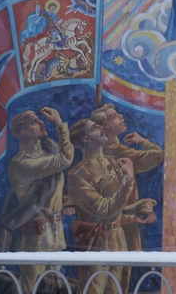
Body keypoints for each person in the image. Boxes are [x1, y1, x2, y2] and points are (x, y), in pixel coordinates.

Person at [65, 104, 163, 252]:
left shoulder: (109, 160)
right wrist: (143, 143)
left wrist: (140, 208)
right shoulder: (80, 172)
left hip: (120, 233)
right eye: (113, 116)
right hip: (101, 239)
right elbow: (105, 209)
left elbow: (118, 205)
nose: (120, 117)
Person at [0, 106, 73, 252]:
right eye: (34, 122)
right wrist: (59, 124)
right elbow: (65, 159)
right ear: (24, 133)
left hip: (56, 235)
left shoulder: (47, 151)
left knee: (57, 276)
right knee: (32, 276)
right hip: (35, 238)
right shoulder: (21, 163)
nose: (42, 123)